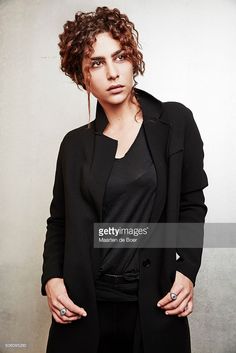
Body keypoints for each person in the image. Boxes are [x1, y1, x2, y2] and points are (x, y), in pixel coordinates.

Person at [41, 6, 208, 353]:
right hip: (84, 308)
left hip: (155, 304)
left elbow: (192, 203)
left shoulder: (175, 122)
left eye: (119, 57)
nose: (113, 72)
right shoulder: (74, 145)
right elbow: (59, 222)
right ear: (82, 76)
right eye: (97, 63)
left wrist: (186, 269)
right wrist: (52, 280)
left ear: (133, 60)